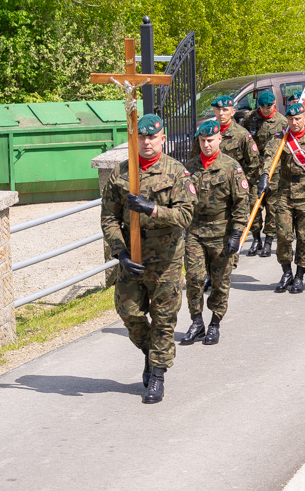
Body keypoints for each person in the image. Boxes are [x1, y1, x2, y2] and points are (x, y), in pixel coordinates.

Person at [100, 114, 195, 404]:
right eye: (142, 137)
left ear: (162, 138)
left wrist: (151, 209)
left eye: (152, 137)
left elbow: (185, 215)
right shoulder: (121, 174)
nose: (147, 142)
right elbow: (108, 218)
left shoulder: (177, 172)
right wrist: (121, 252)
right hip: (134, 260)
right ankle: (150, 352)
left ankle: (156, 375)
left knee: (164, 320)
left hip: (165, 261)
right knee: (128, 312)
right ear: (135, 139)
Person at [181, 120, 250, 347]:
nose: (207, 145)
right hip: (195, 231)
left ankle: (214, 323)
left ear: (219, 139)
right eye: (202, 141)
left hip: (222, 231)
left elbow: (241, 203)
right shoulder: (190, 168)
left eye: (210, 140)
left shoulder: (231, 167)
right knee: (194, 278)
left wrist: (236, 233)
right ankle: (196, 321)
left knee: (220, 282)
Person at [260, 103, 305, 294]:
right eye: (291, 119)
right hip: (284, 194)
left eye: (298, 119)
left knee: (304, 238)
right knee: (283, 236)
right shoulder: (281, 139)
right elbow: (269, 156)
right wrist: (265, 175)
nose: (294, 122)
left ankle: (299, 275)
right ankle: (286, 272)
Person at [191, 95, 259, 262]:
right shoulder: (204, 133)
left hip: (232, 190)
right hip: (209, 190)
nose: (221, 113)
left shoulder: (242, 135)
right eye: (218, 110)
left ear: (232, 111)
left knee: (229, 237)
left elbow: (253, 164)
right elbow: (195, 160)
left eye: (225, 110)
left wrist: (243, 185)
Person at [246, 91, 287, 258]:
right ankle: (256, 238)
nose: (265, 110)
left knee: (272, 206)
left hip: (274, 169)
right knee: (253, 203)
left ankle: (269, 240)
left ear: (274, 104)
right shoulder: (250, 118)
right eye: (262, 107)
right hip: (254, 168)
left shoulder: (282, 122)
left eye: (268, 107)